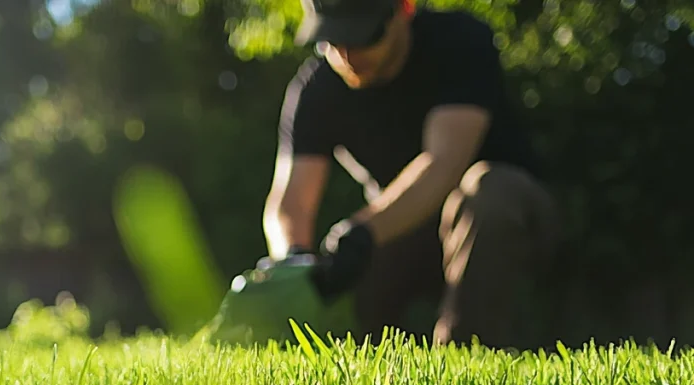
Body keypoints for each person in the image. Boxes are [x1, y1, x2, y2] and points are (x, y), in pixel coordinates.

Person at [220, 0, 562, 350]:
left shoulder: (459, 41)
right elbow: (290, 204)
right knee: (352, 273)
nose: (348, 55)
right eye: (334, 40)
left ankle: (469, 362)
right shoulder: (316, 87)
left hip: (508, 217)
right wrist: (297, 263)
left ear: (405, 10)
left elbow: (443, 163)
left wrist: (362, 234)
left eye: (362, 36)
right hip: (400, 228)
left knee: (486, 192)